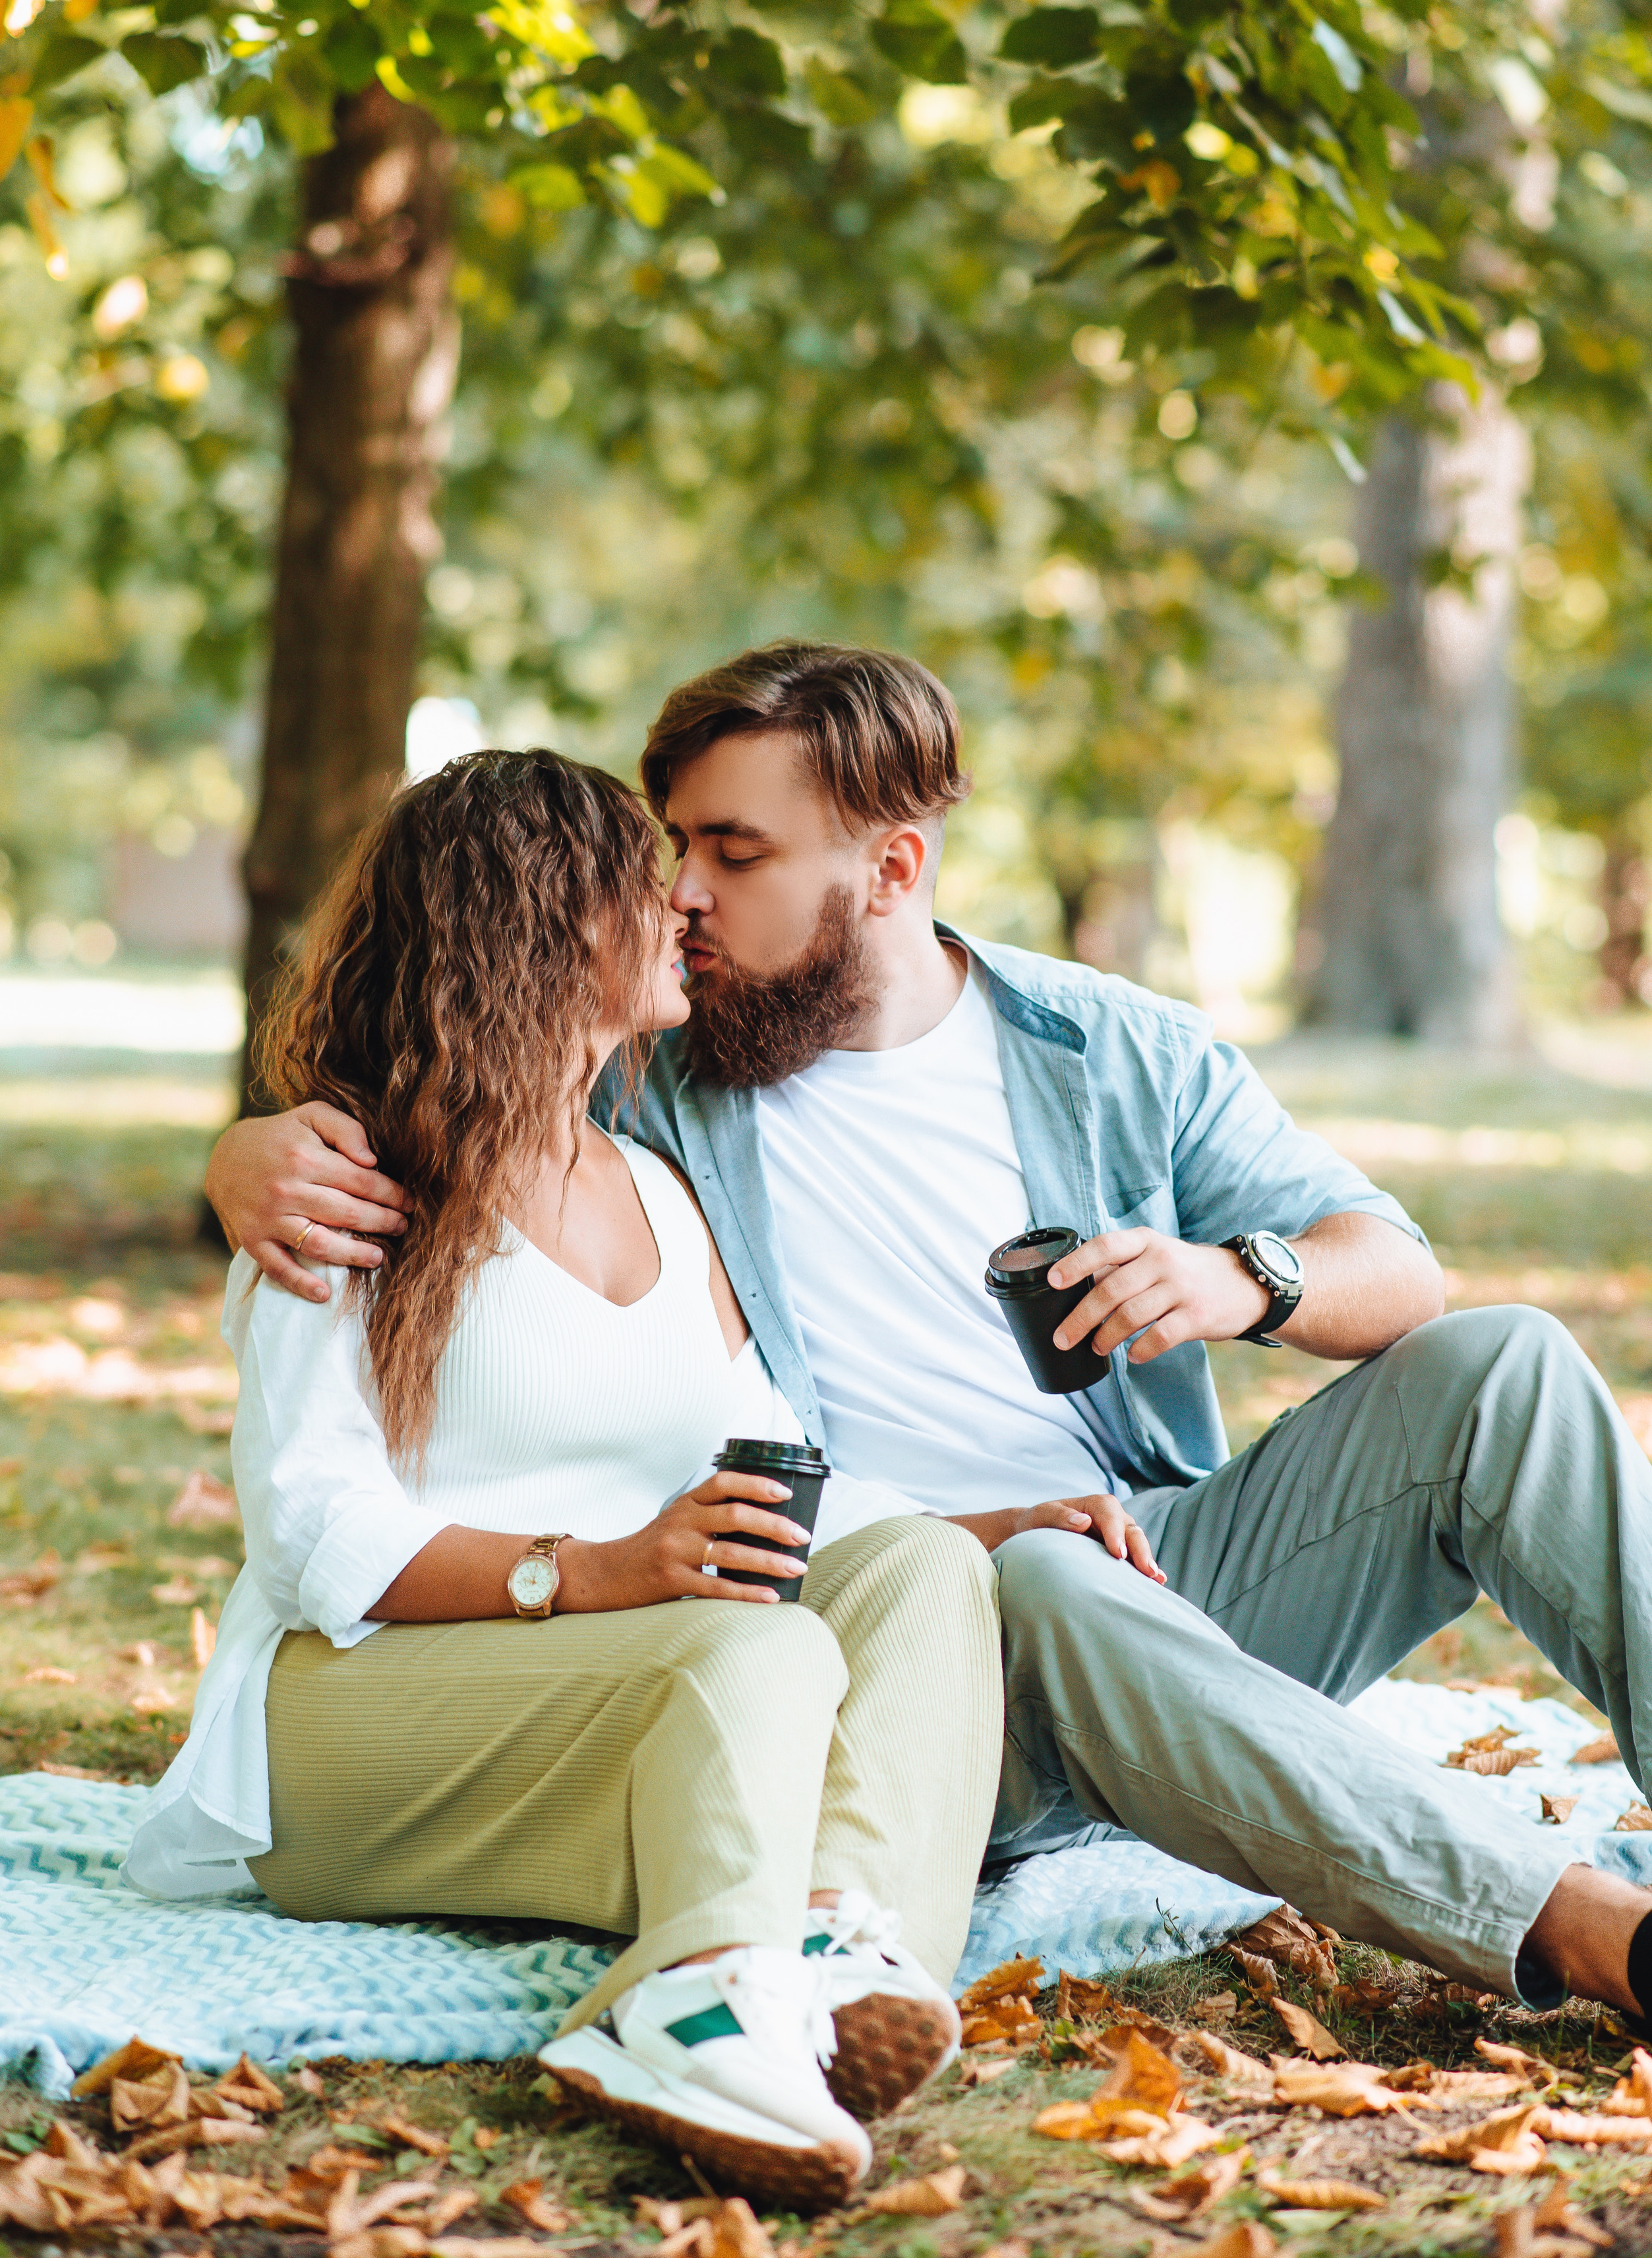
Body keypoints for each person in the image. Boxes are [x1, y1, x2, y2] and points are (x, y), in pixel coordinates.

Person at [208, 643, 1652, 2025]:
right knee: (1035, 1575)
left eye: (735, 853)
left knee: (1505, 1364)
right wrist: (252, 1155)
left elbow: (1399, 1271)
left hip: (1146, 1559)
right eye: (677, 846)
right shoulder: (648, 1071)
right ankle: (1585, 1929)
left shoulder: (1109, 1047)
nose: (684, 894)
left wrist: (1238, 1281)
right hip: (912, 1633)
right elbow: (456, 1045)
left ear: (892, 867)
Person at [133, 746, 1005, 2209]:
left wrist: (989, 1524)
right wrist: (592, 1571)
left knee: (924, 1566)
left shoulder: (654, 1185)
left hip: (622, 1676)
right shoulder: (350, 1181)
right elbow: (309, 1532)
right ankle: (697, 2006)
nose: (680, 902)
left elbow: (761, 1475)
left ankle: (823, 1942)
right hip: (349, 1716)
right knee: (754, 1648)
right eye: (636, 878)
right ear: (533, 922)